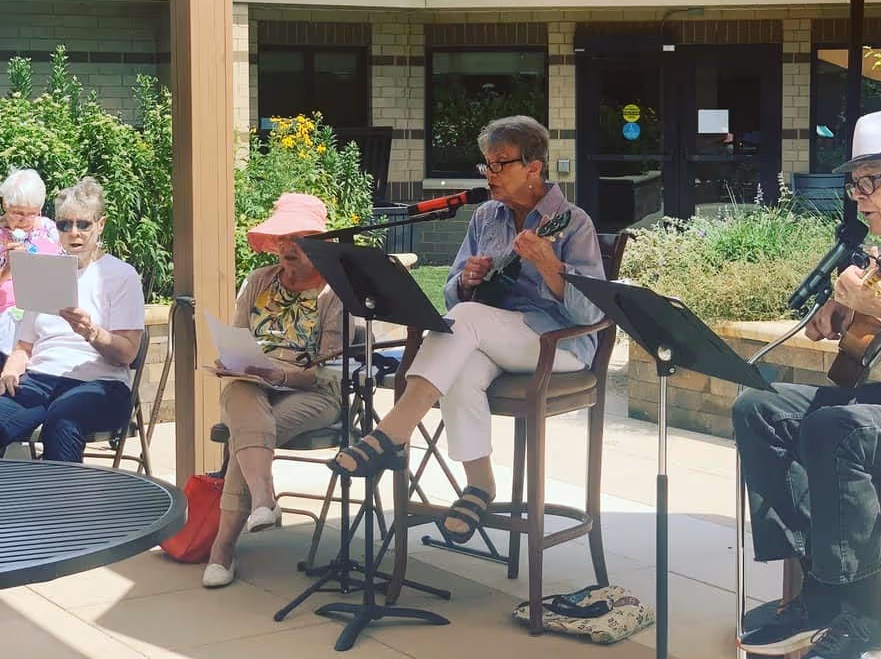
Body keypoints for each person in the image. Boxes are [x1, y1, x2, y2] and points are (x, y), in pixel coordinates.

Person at [734, 108, 881, 659]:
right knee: (760, 405)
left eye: (871, 181)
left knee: (839, 430)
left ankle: (868, 617)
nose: (859, 198)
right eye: (854, 184)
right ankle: (823, 589)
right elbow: (863, 334)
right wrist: (839, 315)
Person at [329, 115, 605, 544]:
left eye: (500, 164)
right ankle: (480, 486)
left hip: (558, 345)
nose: (490, 174)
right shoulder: (487, 218)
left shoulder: (573, 222)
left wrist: (550, 265)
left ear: (534, 167)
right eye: (486, 165)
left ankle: (391, 434)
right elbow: (453, 299)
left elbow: (590, 313)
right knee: (461, 367)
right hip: (492, 339)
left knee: (467, 325)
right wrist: (467, 281)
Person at [203, 193, 344, 589]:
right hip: (251, 384)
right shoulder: (259, 280)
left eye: (297, 238)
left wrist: (279, 375)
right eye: (281, 238)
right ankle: (263, 500)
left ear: (321, 242)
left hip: (313, 391)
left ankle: (223, 548)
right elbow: (237, 337)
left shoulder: (335, 294)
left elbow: (327, 371)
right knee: (243, 398)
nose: (287, 247)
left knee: (246, 439)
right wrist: (235, 362)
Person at [0, 177, 145, 463]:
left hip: (100, 383)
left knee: (63, 420)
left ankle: (66, 505)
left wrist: (92, 332)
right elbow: (24, 347)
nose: (74, 233)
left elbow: (127, 353)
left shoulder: (120, 275)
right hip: (41, 380)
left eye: (84, 224)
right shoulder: (44, 270)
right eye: (65, 224)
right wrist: (10, 371)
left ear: (100, 224)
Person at [0, 168, 62, 365]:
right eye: (18, 213)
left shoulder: (49, 229)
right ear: (5, 205)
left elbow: (66, 271)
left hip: (46, 309)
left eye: (33, 213)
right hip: (7, 314)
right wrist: (8, 268)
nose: (25, 220)